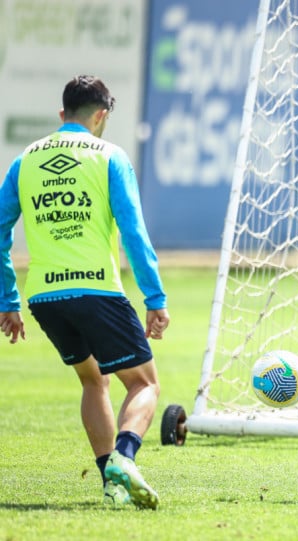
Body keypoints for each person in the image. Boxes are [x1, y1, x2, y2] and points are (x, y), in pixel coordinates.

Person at [0, 75, 169, 509]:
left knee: (94, 380)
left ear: (62, 115)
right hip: (96, 290)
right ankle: (125, 458)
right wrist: (154, 298)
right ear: (101, 115)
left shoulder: (24, 161)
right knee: (145, 383)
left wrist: (8, 300)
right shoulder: (110, 156)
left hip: (44, 298)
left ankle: (111, 483)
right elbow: (134, 231)